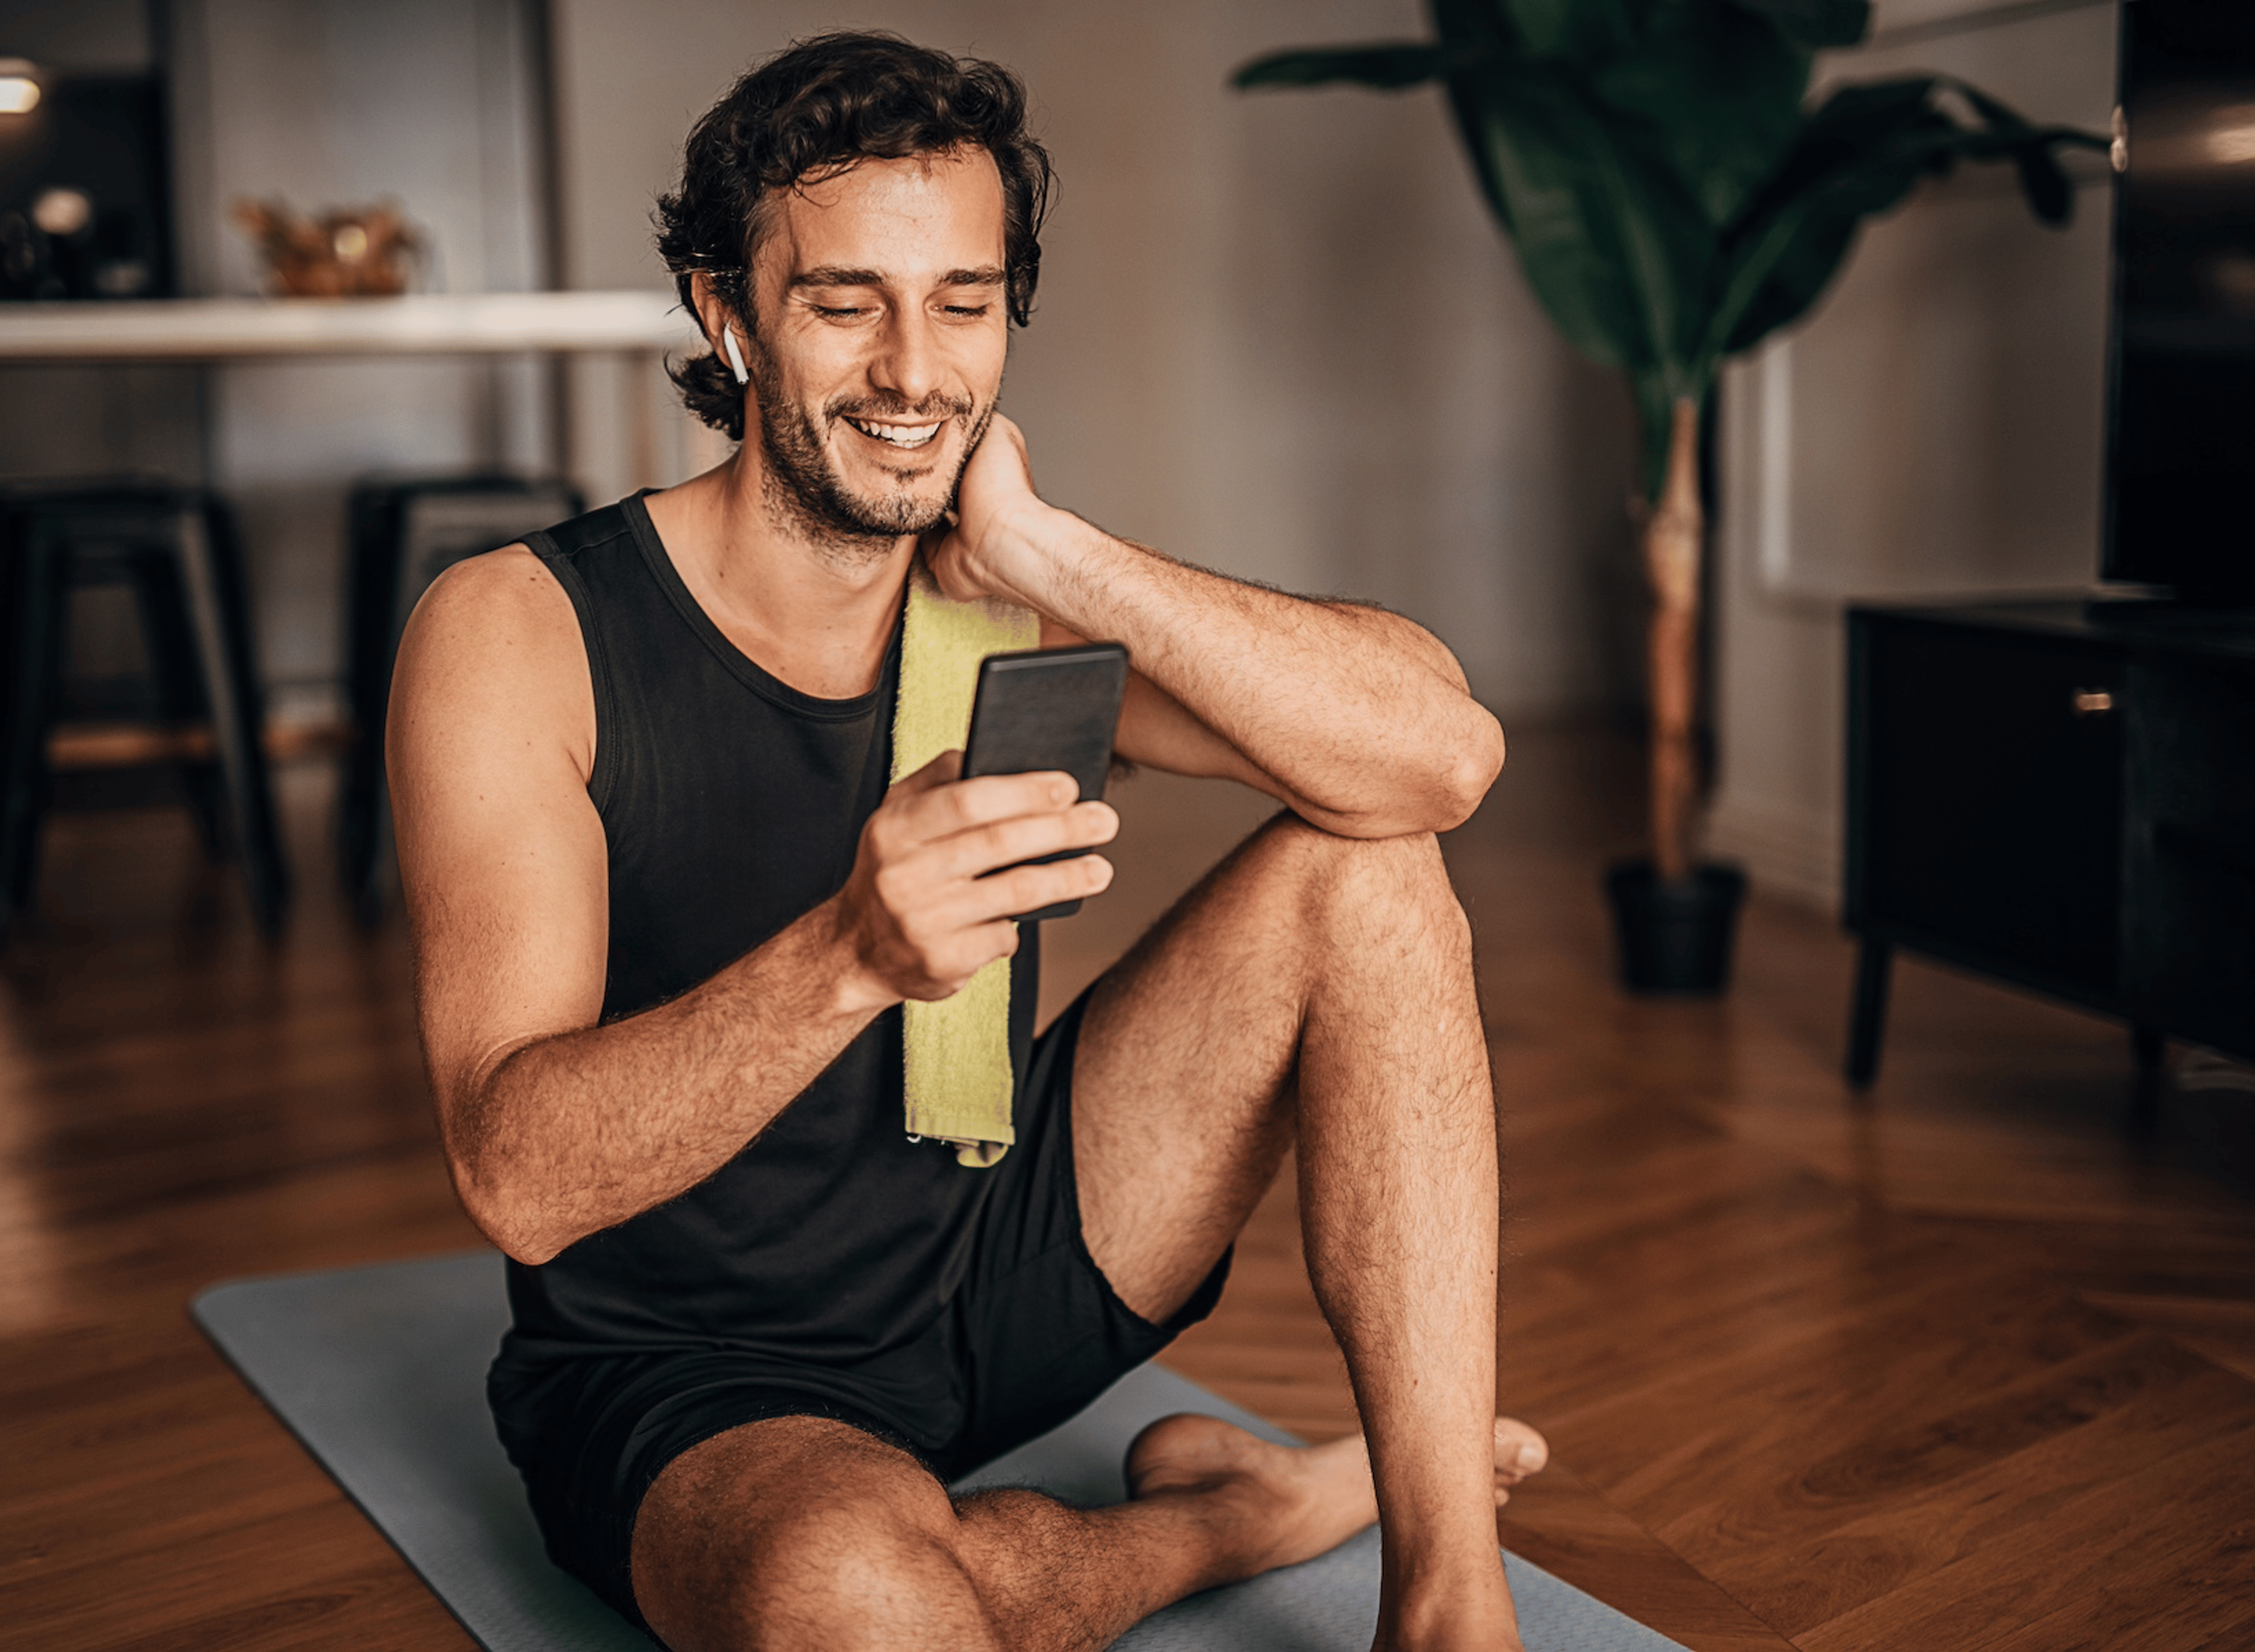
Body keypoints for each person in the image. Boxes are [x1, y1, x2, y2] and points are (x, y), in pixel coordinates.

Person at [389, 30, 1540, 1652]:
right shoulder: (521, 633)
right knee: (870, 1599)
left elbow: (1442, 757)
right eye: (846, 302)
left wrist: (1040, 544)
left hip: (999, 1251)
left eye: (967, 302)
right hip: (697, 1376)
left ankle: (1448, 1604)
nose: (916, 370)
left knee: (1368, 864)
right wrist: (850, 954)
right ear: (728, 313)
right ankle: (1235, 1514)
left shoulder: (998, 596)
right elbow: (515, 1176)